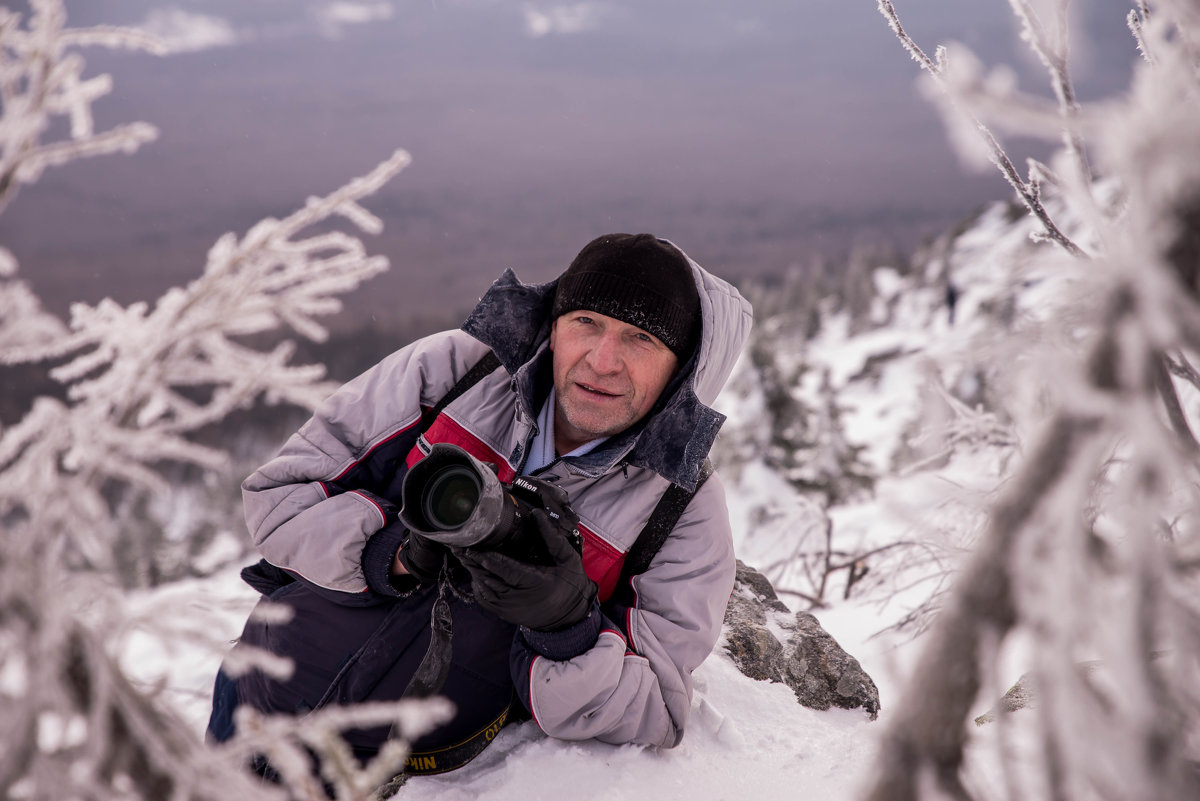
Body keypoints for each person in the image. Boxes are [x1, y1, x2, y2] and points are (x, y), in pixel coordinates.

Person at [207, 233, 754, 777]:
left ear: (679, 369)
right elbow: (280, 495)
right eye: (585, 322)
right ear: (554, 326)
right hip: (255, 693)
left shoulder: (681, 512)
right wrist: (393, 552)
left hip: (398, 771)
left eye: (641, 339)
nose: (603, 360)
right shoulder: (457, 372)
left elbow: (655, 708)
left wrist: (565, 628)